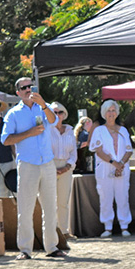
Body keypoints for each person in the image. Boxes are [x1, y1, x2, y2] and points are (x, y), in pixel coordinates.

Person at [1, 77, 63, 260]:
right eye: (24, 87)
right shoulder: (13, 114)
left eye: (31, 86)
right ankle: (25, 249)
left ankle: (52, 247)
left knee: (51, 207)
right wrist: (28, 133)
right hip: (28, 164)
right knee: (25, 209)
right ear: (17, 93)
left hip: (47, 163)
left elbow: (53, 121)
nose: (29, 89)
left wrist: (43, 104)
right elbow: (5, 139)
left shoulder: (43, 107)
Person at [90, 100, 133, 238]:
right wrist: (114, 163)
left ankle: (124, 226)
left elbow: (129, 150)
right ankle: (107, 227)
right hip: (105, 169)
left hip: (122, 168)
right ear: (104, 113)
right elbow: (98, 151)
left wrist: (121, 164)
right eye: (108, 110)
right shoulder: (99, 130)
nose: (111, 113)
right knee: (105, 197)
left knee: (123, 197)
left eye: (113, 110)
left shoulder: (123, 130)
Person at [49, 102, 77, 250]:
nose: (57, 115)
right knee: (49, 202)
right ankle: (51, 231)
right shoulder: (47, 130)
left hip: (66, 167)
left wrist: (67, 166)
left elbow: (74, 152)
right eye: (54, 112)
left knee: (63, 201)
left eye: (60, 112)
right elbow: (44, 150)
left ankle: (64, 231)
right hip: (49, 166)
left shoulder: (70, 130)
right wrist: (51, 168)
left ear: (64, 114)